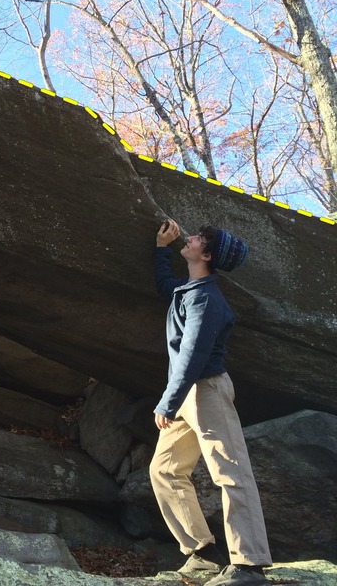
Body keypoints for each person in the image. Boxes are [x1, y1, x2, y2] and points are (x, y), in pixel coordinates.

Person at [151, 218, 272, 586]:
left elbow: (194, 353)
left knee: (230, 472)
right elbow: (166, 287)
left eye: (197, 239)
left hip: (207, 391)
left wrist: (166, 403)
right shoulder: (190, 290)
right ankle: (202, 554)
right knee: (165, 469)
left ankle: (249, 565)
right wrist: (160, 249)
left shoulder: (207, 298)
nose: (188, 238)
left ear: (206, 254)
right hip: (187, 393)